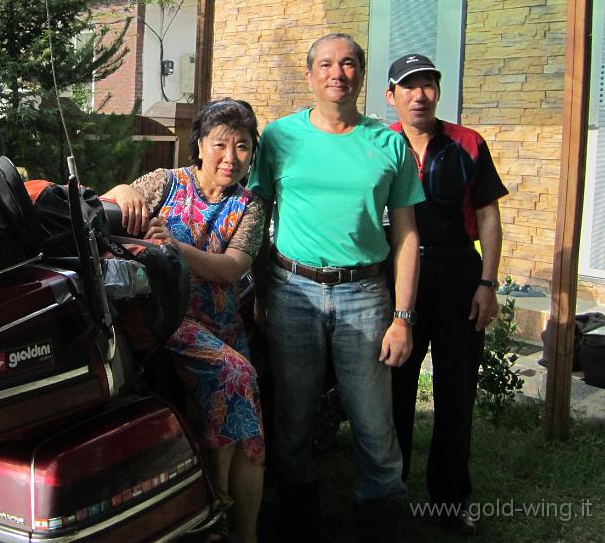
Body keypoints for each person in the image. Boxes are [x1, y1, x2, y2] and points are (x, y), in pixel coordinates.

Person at [248, 32, 423, 543]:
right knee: (294, 417)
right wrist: (260, 292)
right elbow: (258, 219)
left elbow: (409, 233)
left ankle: (379, 525)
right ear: (309, 76)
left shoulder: (389, 143)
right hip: (291, 291)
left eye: (348, 64)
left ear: (361, 75)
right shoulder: (279, 138)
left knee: (373, 424)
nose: (337, 74)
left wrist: (403, 316)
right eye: (325, 64)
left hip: (366, 295)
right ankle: (301, 527)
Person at [103, 98, 266, 543]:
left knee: (250, 424)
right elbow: (110, 204)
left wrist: (173, 246)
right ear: (198, 146)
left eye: (242, 147)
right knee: (237, 374)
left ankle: (243, 530)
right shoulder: (166, 182)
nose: (230, 158)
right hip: (166, 320)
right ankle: (215, 503)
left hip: (221, 327)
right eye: (220, 145)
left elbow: (231, 269)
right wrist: (124, 190)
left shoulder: (249, 206)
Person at [385, 53, 508, 536]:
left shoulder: (467, 143)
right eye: (409, 86)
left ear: (438, 91)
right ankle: (390, 490)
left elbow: (489, 216)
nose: (420, 95)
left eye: (428, 85)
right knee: (394, 388)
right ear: (391, 95)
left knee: (456, 392)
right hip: (396, 274)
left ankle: (449, 499)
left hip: (459, 272)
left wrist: (487, 283)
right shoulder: (380, 144)